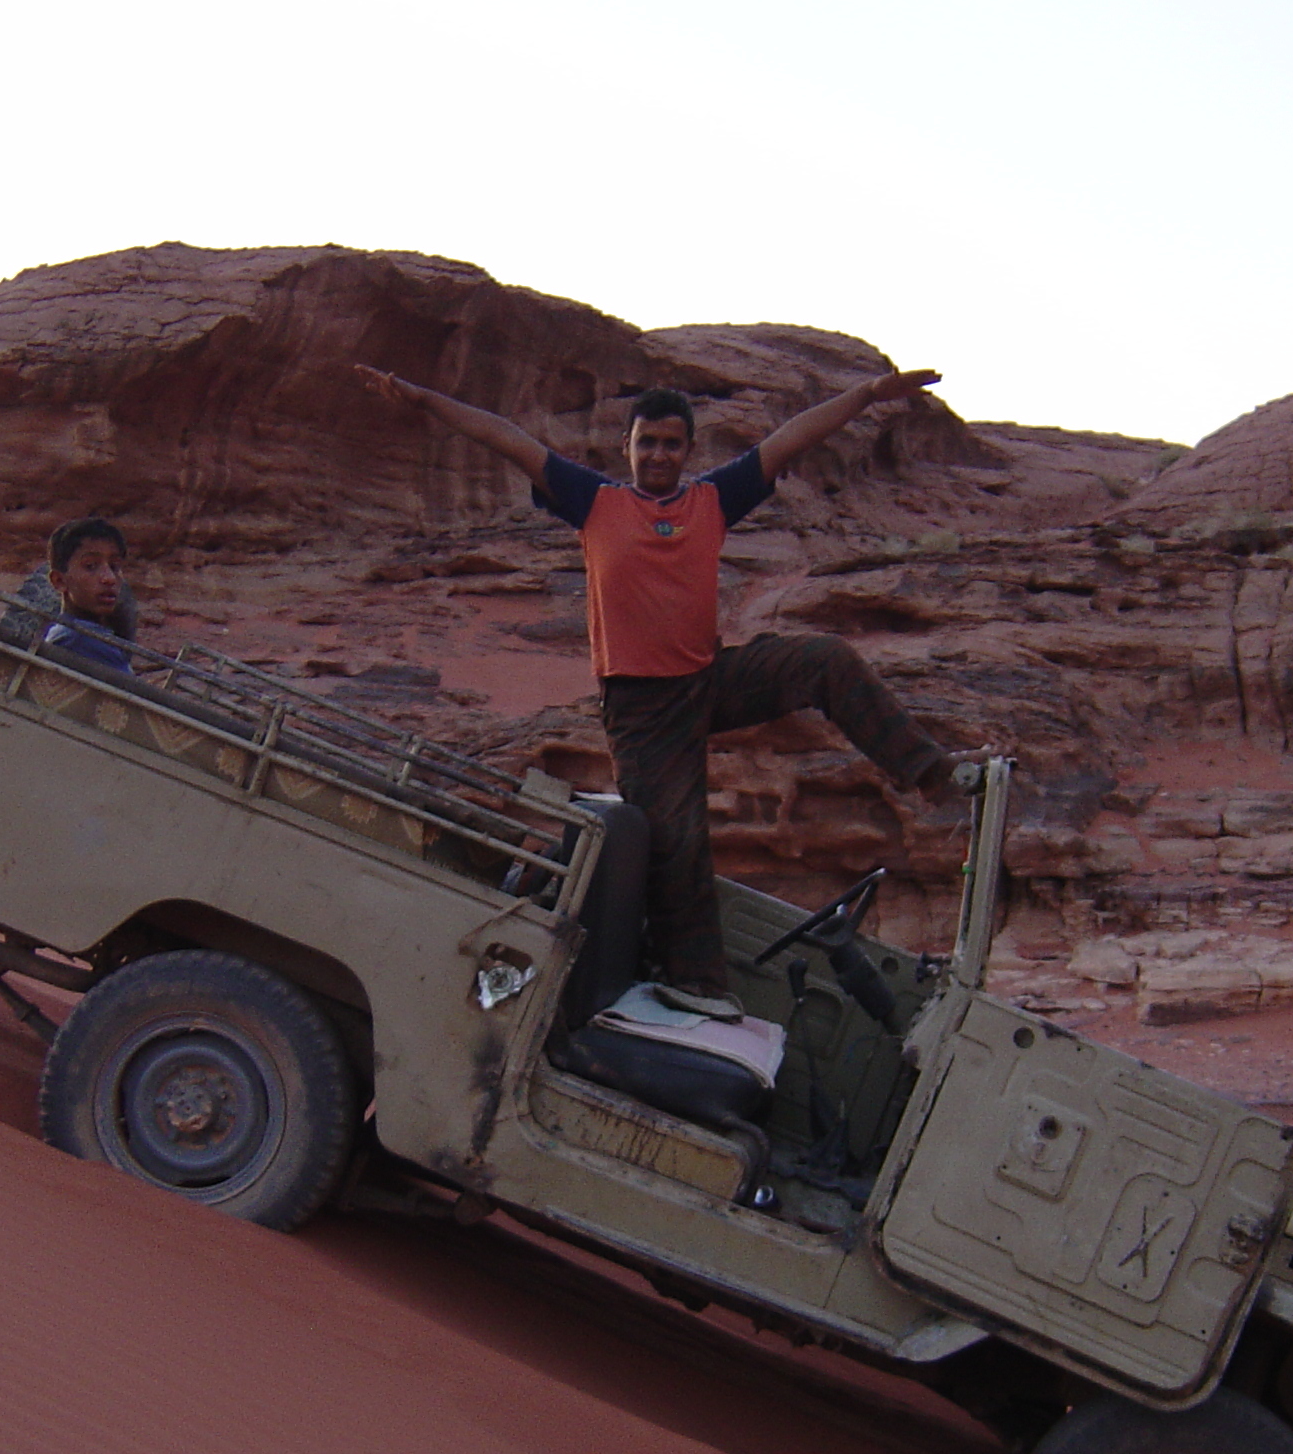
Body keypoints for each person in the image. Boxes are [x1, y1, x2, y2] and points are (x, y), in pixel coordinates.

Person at [354, 364, 978, 1020]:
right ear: (628, 448)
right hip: (642, 710)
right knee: (677, 843)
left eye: (671, 444)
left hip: (707, 681)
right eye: (646, 442)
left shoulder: (711, 500)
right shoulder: (593, 501)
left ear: (687, 452)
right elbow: (508, 440)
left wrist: (869, 396)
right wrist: (423, 397)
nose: (658, 455)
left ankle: (931, 774)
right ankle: (697, 983)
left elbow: (792, 440)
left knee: (825, 660)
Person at [22, 517, 135, 673]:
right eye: (91, 566)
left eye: (114, 566)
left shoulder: (90, 636)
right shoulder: (78, 640)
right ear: (59, 581)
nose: (109, 578)